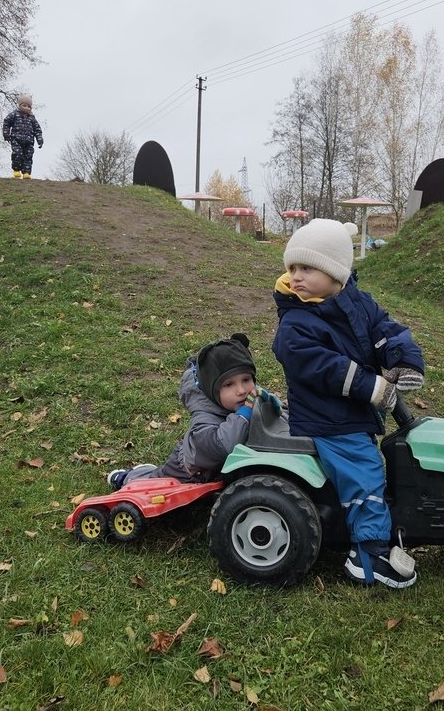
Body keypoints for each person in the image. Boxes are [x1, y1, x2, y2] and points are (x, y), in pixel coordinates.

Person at [272, 218, 425, 589]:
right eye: (293, 268)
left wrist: (405, 361)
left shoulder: (356, 303)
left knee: (377, 461)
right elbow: (324, 367)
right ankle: (369, 555)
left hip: (352, 412)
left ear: (336, 273)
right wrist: (371, 387)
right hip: (328, 419)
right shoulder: (295, 322)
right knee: (364, 472)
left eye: (307, 268)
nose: (296, 277)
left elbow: (386, 330)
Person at [107, 333, 272, 490]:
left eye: (246, 379)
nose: (241, 390)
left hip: (218, 475)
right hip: (187, 473)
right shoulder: (204, 418)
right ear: (213, 391)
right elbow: (222, 446)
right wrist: (243, 416)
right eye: (229, 384)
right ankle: (126, 477)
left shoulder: (248, 401)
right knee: (154, 486)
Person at [3, 93, 43, 179]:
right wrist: (6, 133)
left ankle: (26, 173)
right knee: (18, 154)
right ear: (19, 105)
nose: (26, 108)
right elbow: (6, 122)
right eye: (24, 105)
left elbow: (37, 129)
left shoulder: (32, 118)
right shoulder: (14, 114)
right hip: (16, 139)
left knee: (28, 156)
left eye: (29, 106)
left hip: (29, 141)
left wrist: (39, 139)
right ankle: (16, 170)